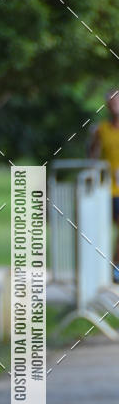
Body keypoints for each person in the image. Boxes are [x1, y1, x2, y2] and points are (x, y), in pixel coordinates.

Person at [89, 89, 119, 282]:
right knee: (100, 230)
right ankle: (102, 270)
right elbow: (91, 157)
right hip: (106, 189)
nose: (114, 104)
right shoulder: (101, 129)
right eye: (111, 101)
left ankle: (115, 268)